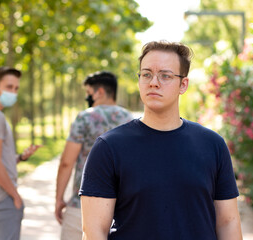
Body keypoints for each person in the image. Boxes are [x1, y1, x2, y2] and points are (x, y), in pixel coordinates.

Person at [79, 41, 243, 239]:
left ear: (183, 84)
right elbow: (94, 231)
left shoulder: (213, 145)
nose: (153, 82)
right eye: (146, 74)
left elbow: (228, 222)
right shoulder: (108, 148)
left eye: (165, 76)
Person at [55, 71, 134, 240]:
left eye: (88, 93)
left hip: (82, 204)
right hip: (120, 207)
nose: (87, 98)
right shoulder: (130, 119)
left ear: (100, 92)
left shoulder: (84, 118)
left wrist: (59, 198)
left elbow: (66, 163)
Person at [0, 67, 41, 240]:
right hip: (1, 200)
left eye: (16, 88)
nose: (13, 92)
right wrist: (15, 196)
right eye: (9, 87)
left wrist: (20, 158)